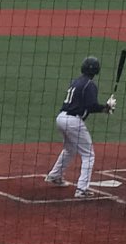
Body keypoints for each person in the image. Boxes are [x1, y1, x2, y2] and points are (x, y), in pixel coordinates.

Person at [45, 56, 117, 198]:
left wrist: (105, 108)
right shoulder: (90, 84)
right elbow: (90, 106)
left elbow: (86, 105)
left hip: (61, 118)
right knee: (88, 155)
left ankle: (55, 175)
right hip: (73, 122)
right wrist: (106, 107)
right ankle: (82, 189)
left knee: (70, 149)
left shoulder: (76, 81)